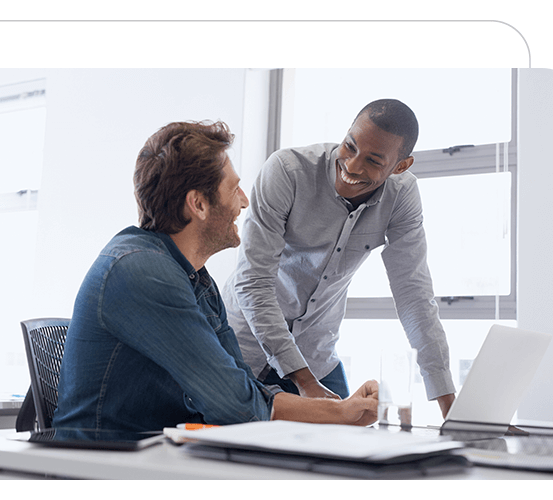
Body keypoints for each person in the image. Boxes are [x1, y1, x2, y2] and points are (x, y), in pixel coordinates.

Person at [52, 120, 379, 432]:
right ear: (198, 204)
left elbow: (243, 388)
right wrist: (341, 412)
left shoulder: (194, 277)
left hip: (158, 448)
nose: (244, 201)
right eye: (234, 188)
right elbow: (236, 406)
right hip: (106, 458)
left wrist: (344, 411)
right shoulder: (141, 272)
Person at [222, 99, 457, 418]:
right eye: (350, 146)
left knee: (343, 452)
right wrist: (305, 383)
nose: (353, 166)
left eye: (374, 161)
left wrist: (452, 408)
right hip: (243, 347)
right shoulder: (287, 171)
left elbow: (414, 296)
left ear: (400, 166)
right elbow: (253, 283)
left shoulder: (401, 196)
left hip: (317, 355)